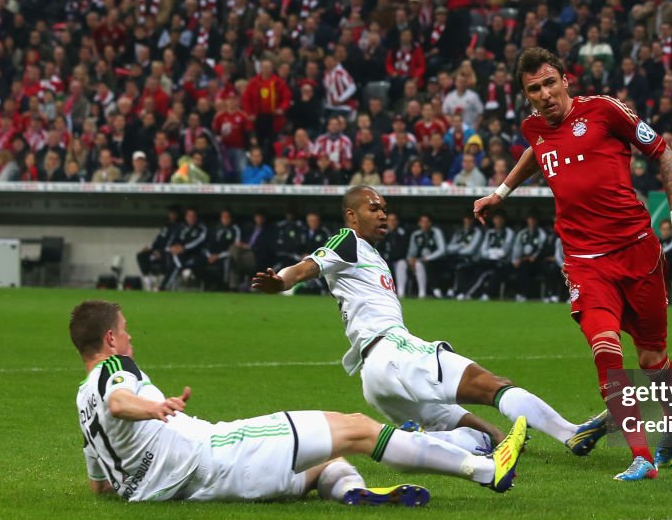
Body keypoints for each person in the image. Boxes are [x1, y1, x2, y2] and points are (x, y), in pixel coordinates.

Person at [474, 47, 672, 481]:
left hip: (638, 251)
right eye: (533, 90)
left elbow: (664, 153)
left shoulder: (604, 111)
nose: (544, 95)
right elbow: (536, 150)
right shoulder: (534, 128)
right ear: (526, 97)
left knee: (653, 356)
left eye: (549, 83)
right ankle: (641, 457)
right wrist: (501, 192)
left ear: (566, 80)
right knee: (606, 350)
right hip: (584, 262)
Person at [251, 186, 606, 458]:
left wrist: (501, 435)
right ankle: (569, 433)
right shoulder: (348, 241)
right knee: (493, 385)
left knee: (469, 431)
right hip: (393, 350)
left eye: (385, 210)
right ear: (351, 215)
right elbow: (306, 266)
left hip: (374, 377)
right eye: (373, 208)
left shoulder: (368, 255)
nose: (382, 215)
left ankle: (423, 440)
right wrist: (281, 281)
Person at [69, 300, 526, 504]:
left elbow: (101, 486)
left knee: (326, 461)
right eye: (125, 329)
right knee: (356, 428)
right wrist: (152, 408)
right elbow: (121, 402)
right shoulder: (115, 370)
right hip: (214, 455)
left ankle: (352, 492)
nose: (130, 337)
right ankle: (486, 469)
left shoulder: (80, 402)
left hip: (183, 491)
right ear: (110, 339)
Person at [137, 206, 182, 292]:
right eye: (170, 213)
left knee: (168, 260)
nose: (171, 215)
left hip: (168, 253)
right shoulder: (166, 226)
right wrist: (150, 248)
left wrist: (161, 251)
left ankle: (161, 284)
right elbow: (158, 239)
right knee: (141, 255)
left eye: (174, 213)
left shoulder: (179, 227)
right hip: (157, 251)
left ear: (177, 215)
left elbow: (172, 242)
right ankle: (147, 280)